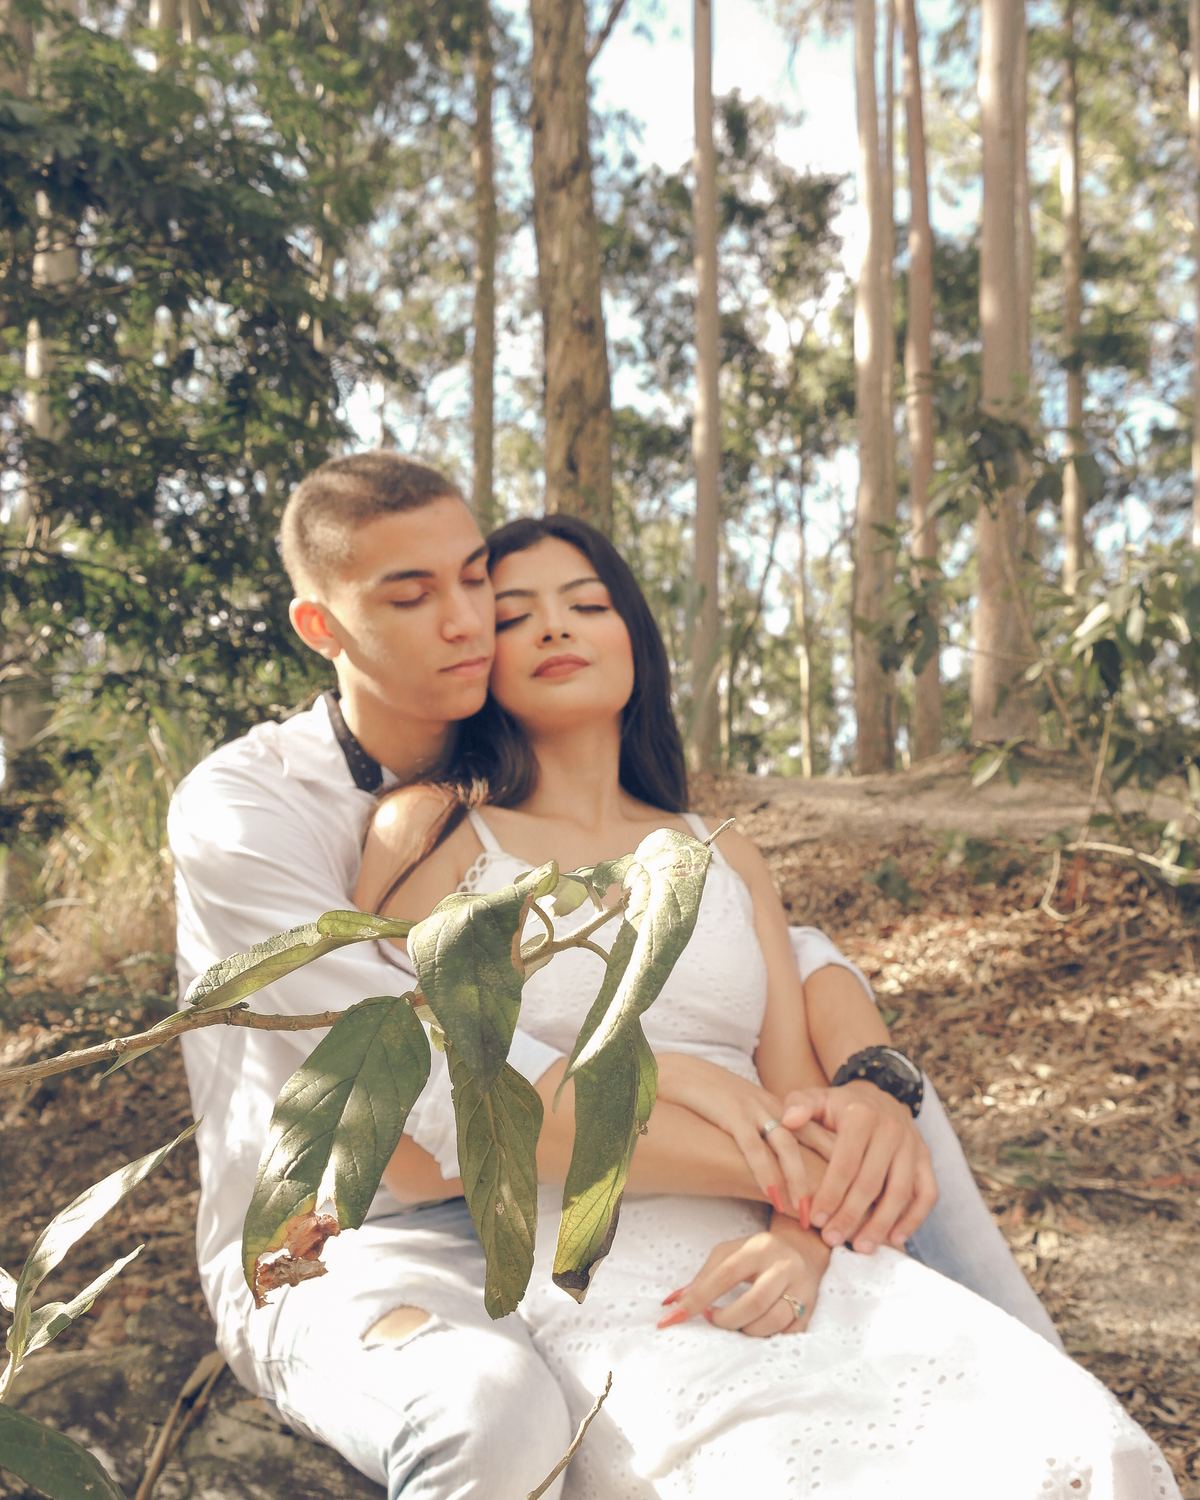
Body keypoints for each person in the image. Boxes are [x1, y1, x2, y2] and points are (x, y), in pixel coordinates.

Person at [168, 453, 1046, 1498]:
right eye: (411, 595)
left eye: (474, 581)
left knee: (890, 1115)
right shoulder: (250, 813)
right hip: (363, 1227)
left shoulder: (536, 774)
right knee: (491, 1417)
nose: (465, 621)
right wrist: (788, 1170)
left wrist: (872, 1084)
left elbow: (780, 950)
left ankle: (1035, 1387)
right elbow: (415, 1102)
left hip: (589, 1180)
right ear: (323, 627)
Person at [352, 512, 1179, 1500]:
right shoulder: (435, 831)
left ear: (635, 638)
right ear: (482, 657)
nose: (554, 630)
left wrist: (798, 1245)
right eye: (517, 614)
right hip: (600, 1267)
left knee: (1075, 1448)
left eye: (587, 604)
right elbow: (413, 1116)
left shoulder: (726, 851)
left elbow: (799, 1098)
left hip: (794, 1243)